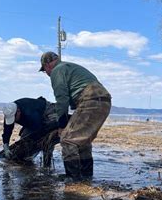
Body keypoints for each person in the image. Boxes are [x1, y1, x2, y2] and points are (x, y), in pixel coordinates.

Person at [39, 51, 111, 180]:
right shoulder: (70, 67)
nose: (47, 74)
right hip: (103, 101)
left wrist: (62, 125)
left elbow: (62, 99)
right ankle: (86, 176)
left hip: (90, 100)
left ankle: (73, 180)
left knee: (67, 139)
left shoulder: (57, 71)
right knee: (82, 141)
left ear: (47, 65)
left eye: (45, 70)